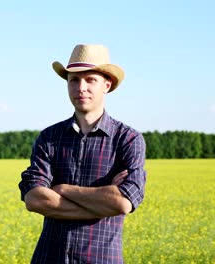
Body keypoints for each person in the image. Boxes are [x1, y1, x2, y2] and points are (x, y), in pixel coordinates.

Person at [18, 44, 146, 264]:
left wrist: (62, 189)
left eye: (90, 80)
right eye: (74, 80)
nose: (81, 87)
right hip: (49, 258)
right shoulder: (49, 137)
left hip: (100, 259)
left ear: (107, 84)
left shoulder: (128, 139)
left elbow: (124, 202)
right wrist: (101, 205)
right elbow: (34, 199)